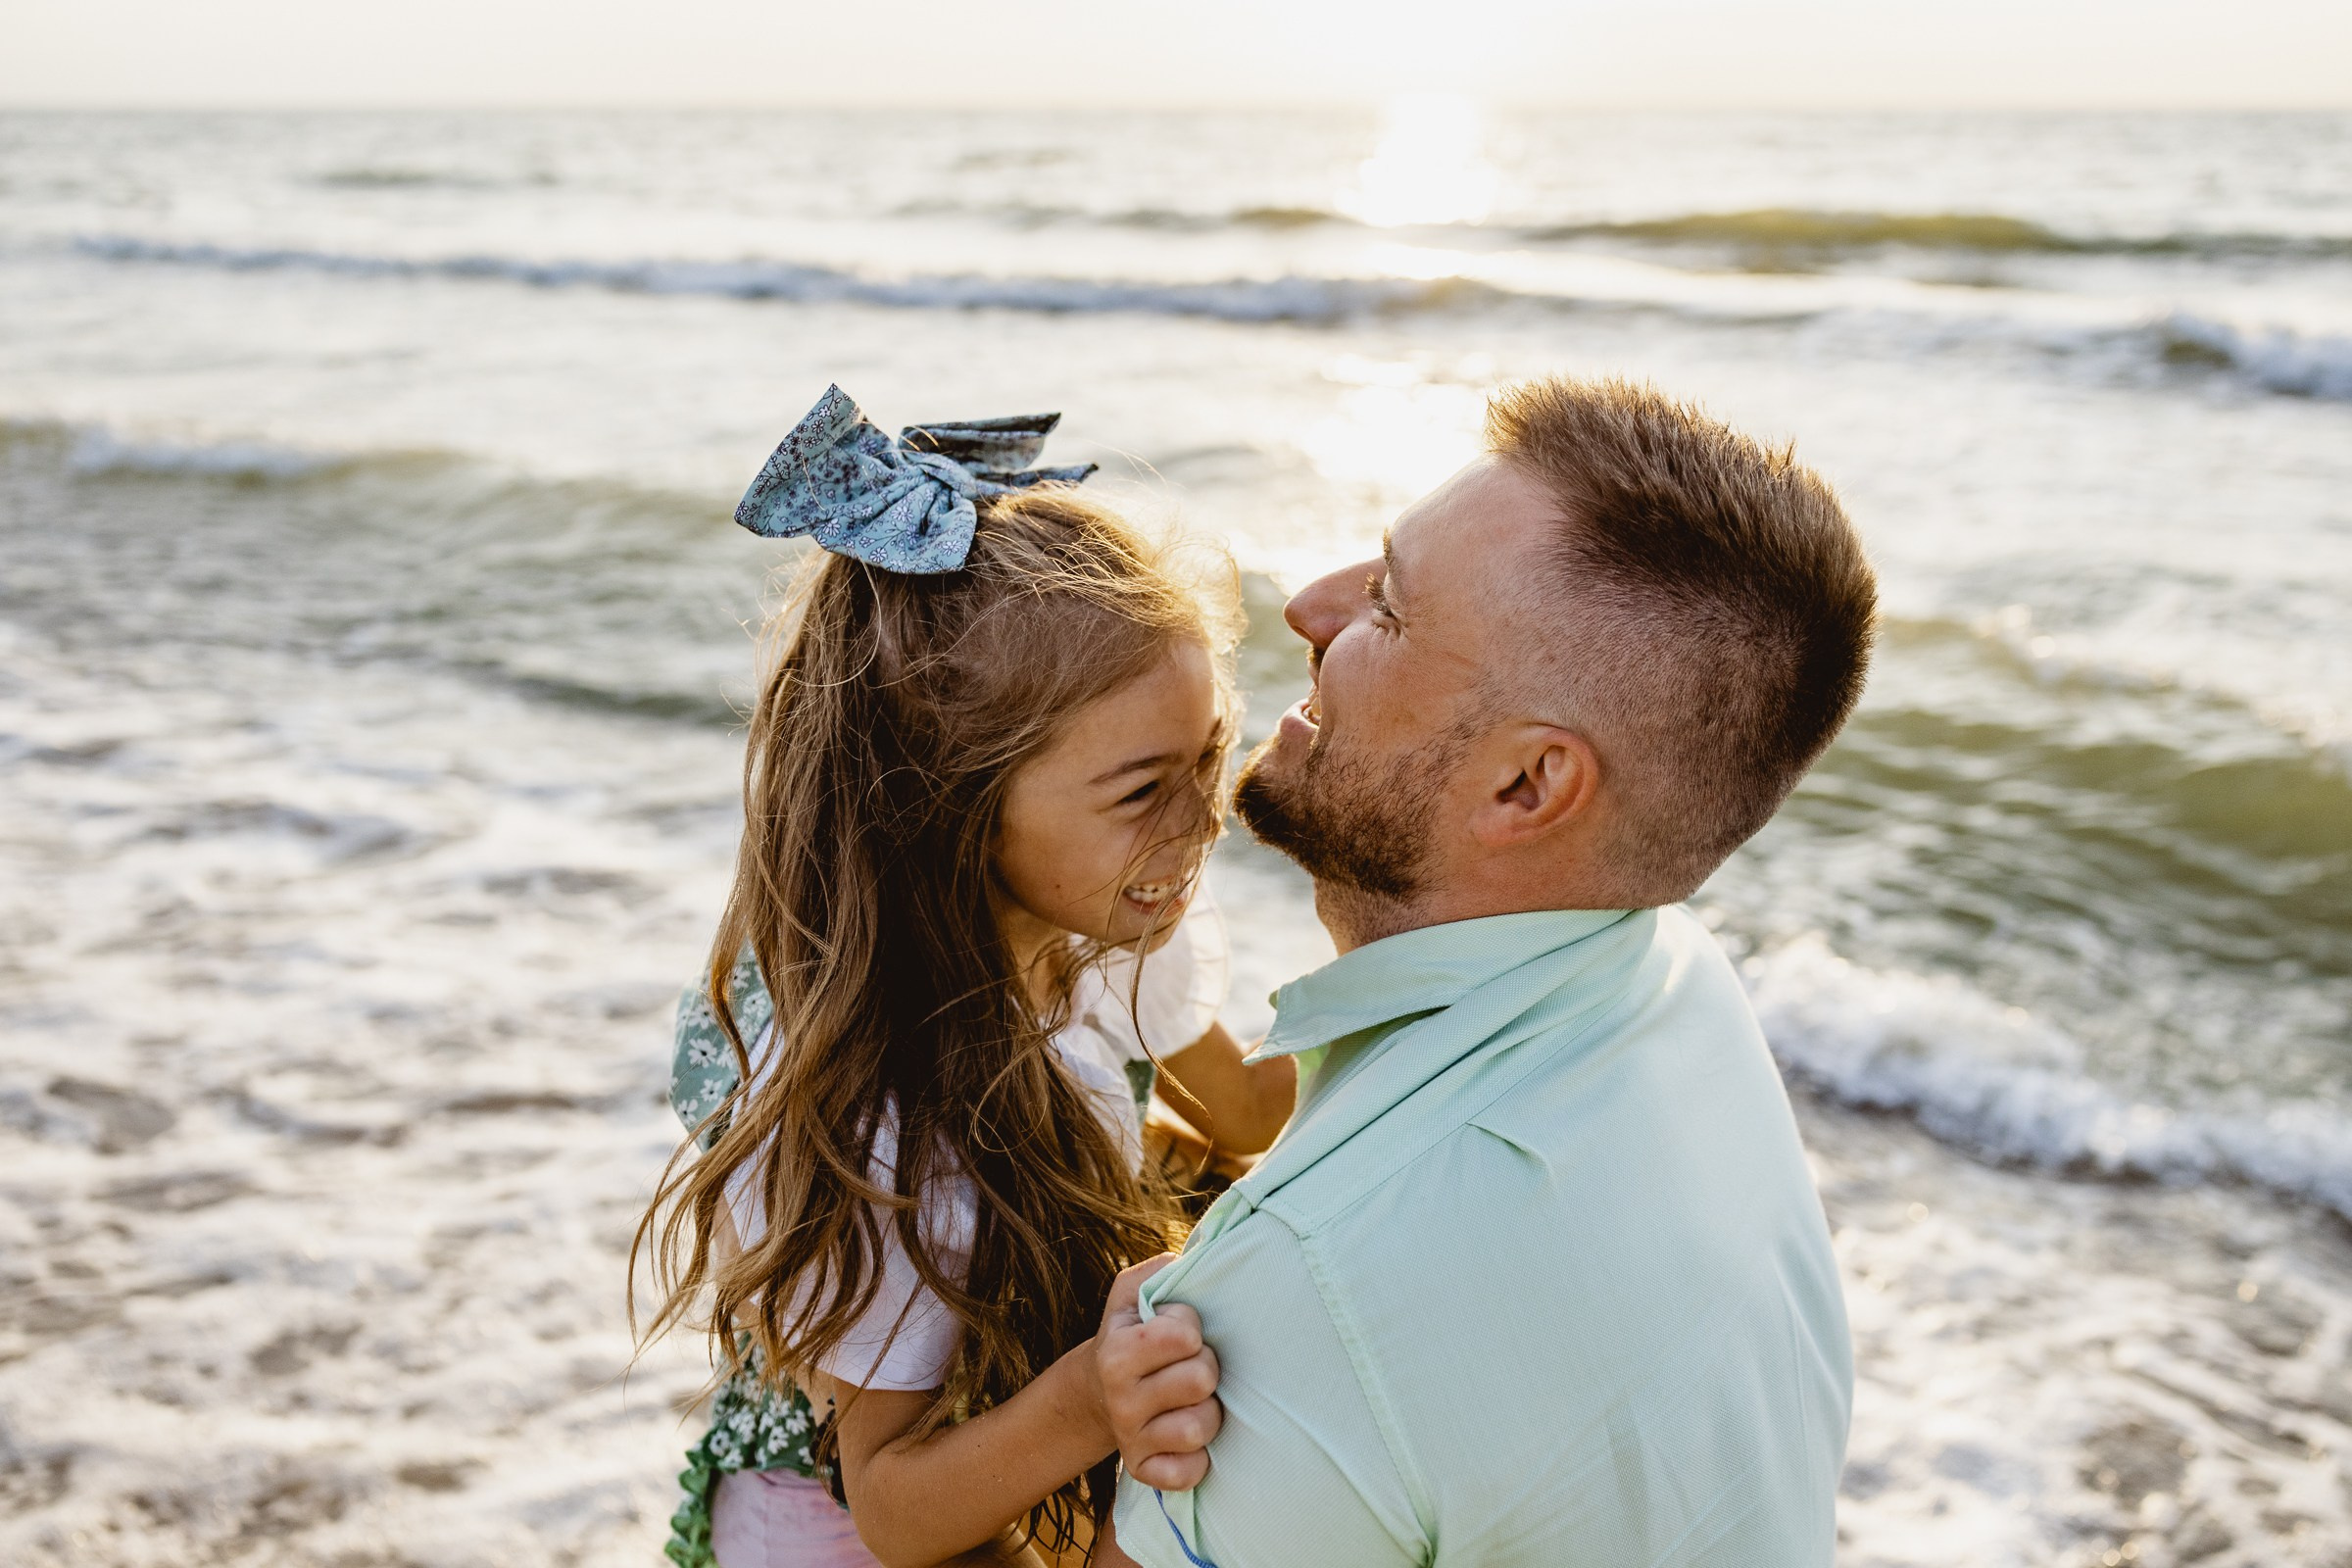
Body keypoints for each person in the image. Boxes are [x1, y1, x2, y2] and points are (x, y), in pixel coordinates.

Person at [1102, 376, 1876, 1567]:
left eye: (1389, 610)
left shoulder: (1316, 1281)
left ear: (1527, 787)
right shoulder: (1679, 992)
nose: (1308, 609)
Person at [636, 388, 1294, 1568]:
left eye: (1208, 754)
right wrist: (1094, 1399)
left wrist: (1431, 1008)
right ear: (950, 814)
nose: (1209, 817)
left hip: (1005, 1495)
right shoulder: (885, 1123)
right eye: (1147, 788)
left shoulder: (1101, 939)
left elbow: (1245, 1113)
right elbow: (891, 1506)